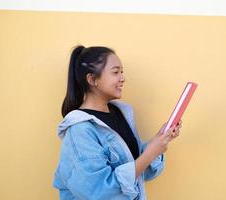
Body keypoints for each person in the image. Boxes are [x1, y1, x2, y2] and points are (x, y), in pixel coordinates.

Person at [53, 45, 182, 200]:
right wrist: (150, 154)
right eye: (115, 72)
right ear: (92, 79)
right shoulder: (80, 129)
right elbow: (97, 191)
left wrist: (159, 140)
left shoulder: (120, 114)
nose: (123, 78)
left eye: (122, 72)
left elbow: (139, 173)